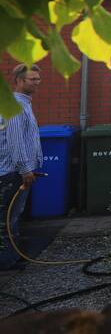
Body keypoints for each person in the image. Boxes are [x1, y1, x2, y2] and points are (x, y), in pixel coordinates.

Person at [0, 65, 43, 271]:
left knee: (14, 216)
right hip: (13, 173)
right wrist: (25, 169)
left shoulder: (23, 104)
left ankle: (13, 256)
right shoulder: (15, 105)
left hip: (18, 172)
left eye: (37, 79)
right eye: (31, 79)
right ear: (18, 80)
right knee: (8, 218)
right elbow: (15, 141)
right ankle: (7, 261)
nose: (36, 82)